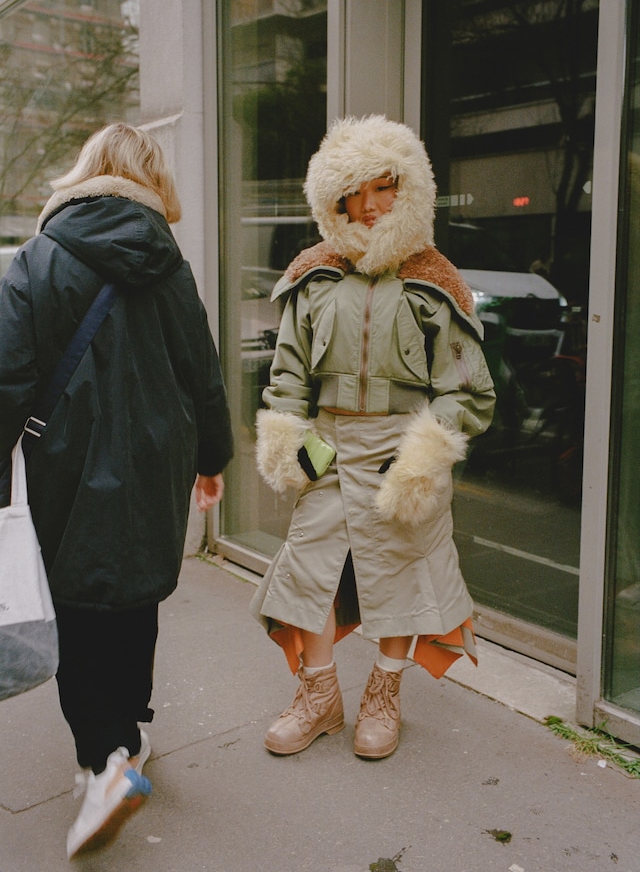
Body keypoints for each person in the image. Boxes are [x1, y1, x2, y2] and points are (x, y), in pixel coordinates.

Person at [0, 123, 233, 858]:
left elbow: (6, 378)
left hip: (65, 465)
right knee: (136, 593)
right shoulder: (171, 265)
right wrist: (212, 458)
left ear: (85, 170)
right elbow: (202, 373)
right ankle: (130, 729)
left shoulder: (37, 260)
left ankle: (104, 761)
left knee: (76, 605)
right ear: (151, 180)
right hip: (158, 462)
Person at [250, 114, 495, 760]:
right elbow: (287, 377)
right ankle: (319, 697)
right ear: (332, 201)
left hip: (399, 452)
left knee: (403, 574)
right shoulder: (312, 275)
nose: (369, 205)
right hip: (328, 446)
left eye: (383, 186)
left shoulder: (435, 280)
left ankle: (384, 696)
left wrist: (422, 457)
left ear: (409, 188)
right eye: (353, 192)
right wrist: (292, 445)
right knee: (310, 572)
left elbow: (467, 390)